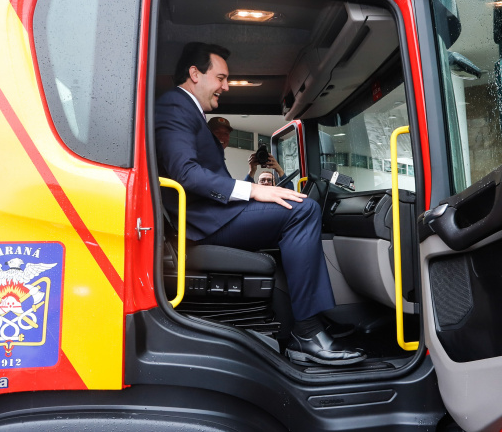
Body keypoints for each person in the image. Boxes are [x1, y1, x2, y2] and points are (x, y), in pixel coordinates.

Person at [154, 42, 364, 365]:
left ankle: (311, 321)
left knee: (294, 207)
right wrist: (254, 190)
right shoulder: (175, 106)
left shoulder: (187, 110)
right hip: (202, 224)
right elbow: (185, 173)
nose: (226, 86)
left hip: (211, 216)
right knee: (303, 210)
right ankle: (307, 333)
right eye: (221, 78)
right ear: (195, 74)